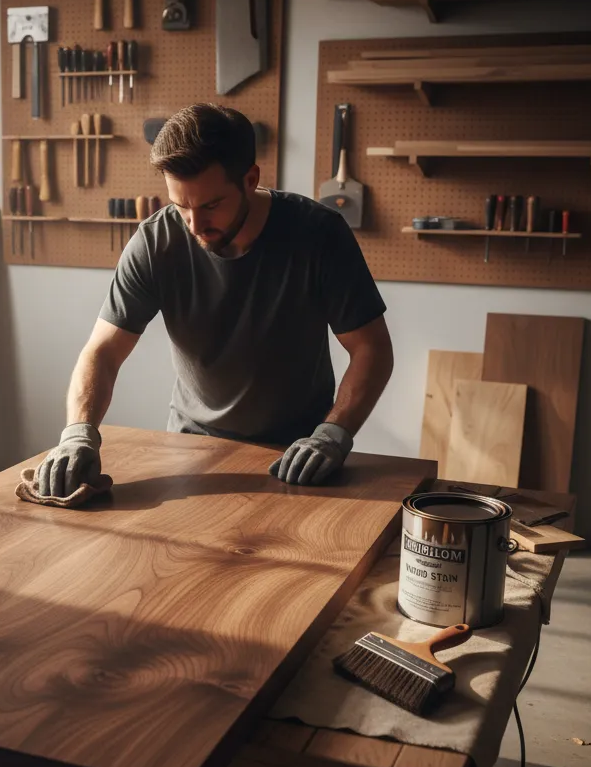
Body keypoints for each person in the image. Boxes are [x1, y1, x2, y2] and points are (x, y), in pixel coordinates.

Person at [36, 103, 393, 498]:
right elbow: (103, 351)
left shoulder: (318, 235)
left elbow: (371, 349)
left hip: (297, 454)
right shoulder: (156, 243)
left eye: (210, 205)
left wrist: (334, 433)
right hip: (191, 446)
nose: (195, 225)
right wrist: (78, 433)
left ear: (250, 179)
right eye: (180, 206)